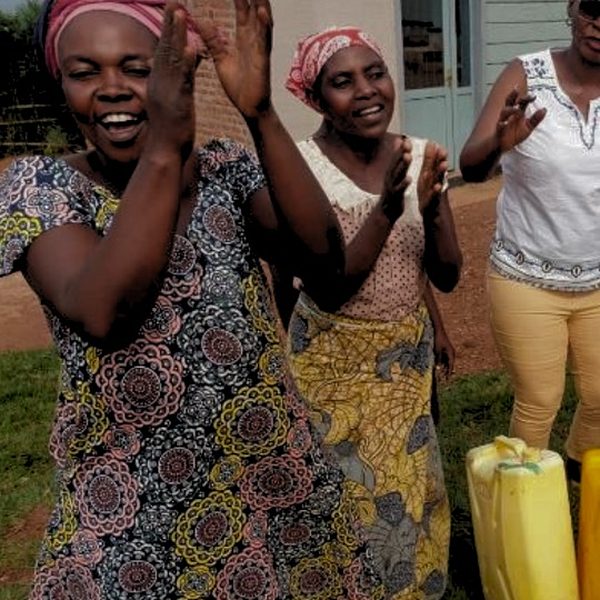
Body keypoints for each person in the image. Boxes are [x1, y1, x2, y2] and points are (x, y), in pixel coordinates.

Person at [0, 1, 392, 597]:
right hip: (133, 504)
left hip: (273, 476)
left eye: (137, 68)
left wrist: (259, 112)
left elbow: (322, 261)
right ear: (61, 84)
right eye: (85, 73)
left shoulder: (226, 171)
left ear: (173, 72)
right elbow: (104, 313)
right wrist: (164, 141)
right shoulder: (42, 187)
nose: (112, 89)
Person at [271, 26, 462, 598]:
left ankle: (415, 584)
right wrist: (386, 208)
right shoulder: (301, 169)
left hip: (405, 351)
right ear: (315, 97)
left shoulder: (420, 154)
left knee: (413, 479)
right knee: (344, 488)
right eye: (342, 81)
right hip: (332, 354)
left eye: (375, 73)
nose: (366, 91)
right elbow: (321, 290)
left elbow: (446, 275)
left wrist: (429, 211)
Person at [460, 0, 600, 483]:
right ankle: (522, 509)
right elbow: (471, 167)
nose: (599, 23)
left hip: (599, 283)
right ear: (573, 9)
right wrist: (500, 144)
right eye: (593, 6)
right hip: (528, 279)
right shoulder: (526, 74)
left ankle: (579, 471)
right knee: (540, 401)